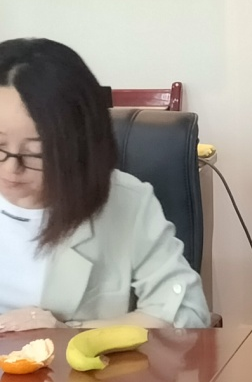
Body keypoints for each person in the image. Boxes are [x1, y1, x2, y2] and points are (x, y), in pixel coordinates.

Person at [0, 38, 210, 328]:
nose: (11, 168)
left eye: (36, 152)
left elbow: (187, 314)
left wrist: (68, 334)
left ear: (79, 144)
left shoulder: (126, 202)